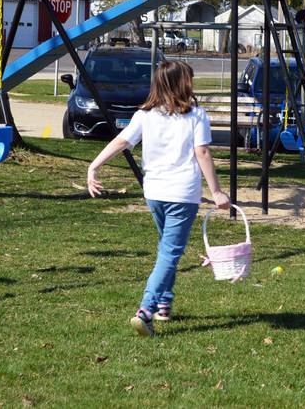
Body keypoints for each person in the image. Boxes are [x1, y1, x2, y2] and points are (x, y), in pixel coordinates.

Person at [87, 60, 230, 336]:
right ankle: (146, 310)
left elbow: (121, 142)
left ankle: (164, 304)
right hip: (182, 194)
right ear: (181, 84)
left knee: (167, 250)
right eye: (189, 79)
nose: (192, 84)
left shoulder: (145, 115)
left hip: (154, 193)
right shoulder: (197, 116)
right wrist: (217, 192)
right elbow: (203, 154)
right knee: (169, 253)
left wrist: (94, 165)